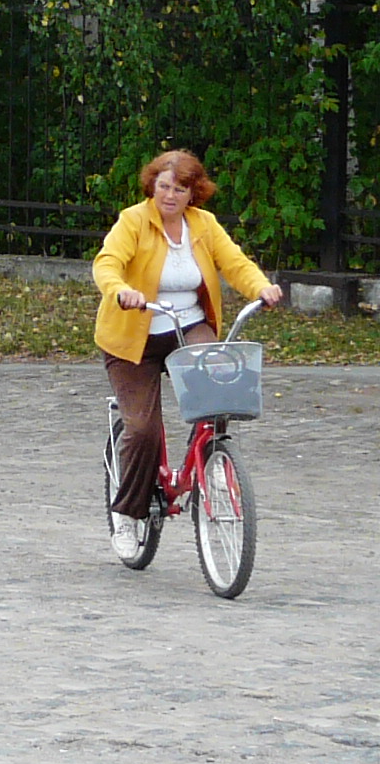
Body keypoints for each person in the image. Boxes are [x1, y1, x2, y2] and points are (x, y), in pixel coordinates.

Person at [93, 147, 280, 541]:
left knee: (221, 388)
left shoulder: (203, 224)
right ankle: (128, 513)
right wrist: (121, 290)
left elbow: (235, 262)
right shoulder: (133, 221)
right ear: (152, 186)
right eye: (163, 186)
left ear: (193, 192)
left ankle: (213, 466)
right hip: (134, 336)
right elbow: (107, 262)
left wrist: (261, 287)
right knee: (143, 429)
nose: (170, 196)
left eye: (180, 188)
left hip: (187, 326)